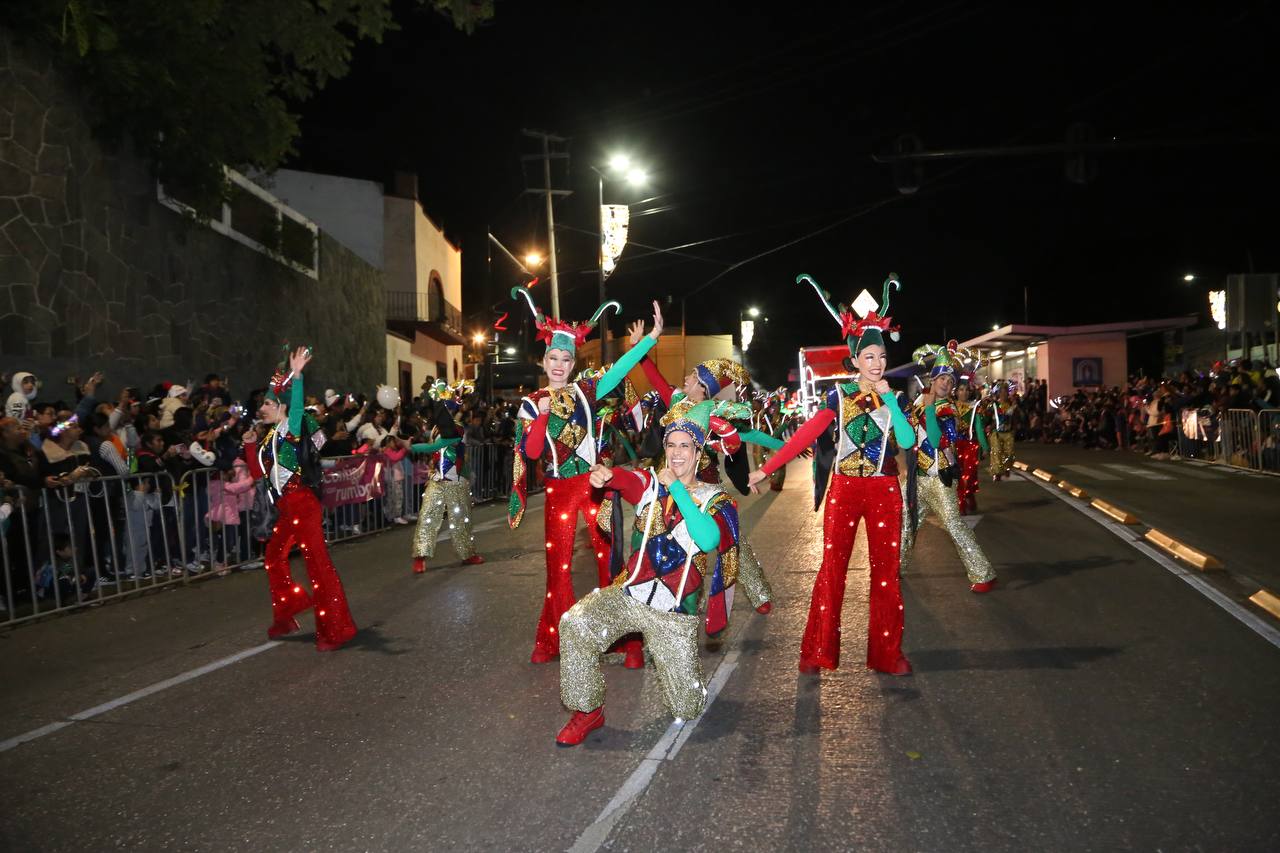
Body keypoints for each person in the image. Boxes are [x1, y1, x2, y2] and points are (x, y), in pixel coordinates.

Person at [748, 273, 916, 675]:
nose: (877, 364)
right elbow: (804, 435)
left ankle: (887, 654)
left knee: (886, 574)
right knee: (833, 570)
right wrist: (765, 469)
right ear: (855, 359)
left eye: (881, 357)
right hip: (844, 489)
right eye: (869, 357)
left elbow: (907, 440)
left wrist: (892, 404)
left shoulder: (893, 396)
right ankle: (818, 650)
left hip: (884, 489)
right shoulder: (837, 397)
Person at [556, 401, 741, 746]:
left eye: (685, 445)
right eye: (671, 445)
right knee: (575, 623)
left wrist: (678, 490)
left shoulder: (716, 499)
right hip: (630, 596)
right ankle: (587, 711)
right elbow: (629, 480)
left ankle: (675, 672)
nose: (676, 453)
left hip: (673, 614)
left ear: (698, 452)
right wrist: (609, 476)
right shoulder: (651, 484)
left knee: (686, 707)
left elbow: (707, 538)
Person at [507, 288, 658, 664]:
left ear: (573, 363)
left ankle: (630, 643)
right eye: (553, 357)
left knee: (611, 562)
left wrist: (651, 341)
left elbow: (622, 369)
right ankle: (556, 640)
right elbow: (533, 452)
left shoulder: (586, 390)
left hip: (594, 485)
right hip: (558, 490)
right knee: (558, 570)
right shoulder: (530, 402)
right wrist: (542, 414)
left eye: (565, 358)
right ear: (544, 360)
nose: (559, 364)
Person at [626, 305, 780, 617]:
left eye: (693, 376)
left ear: (703, 387)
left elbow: (749, 435)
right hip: (670, 479)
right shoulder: (676, 401)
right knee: (664, 538)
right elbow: (654, 378)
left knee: (731, 541)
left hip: (704, 484)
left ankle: (758, 591)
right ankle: (662, 603)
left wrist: (785, 446)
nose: (686, 377)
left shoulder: (714, 411)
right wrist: (641, 348)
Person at [244, 347, 357, 651]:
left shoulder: (291, 428)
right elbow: (261, 474)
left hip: (303, 504)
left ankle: (336, 629)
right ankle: (290, 610)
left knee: (317, 566)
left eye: (267, 403)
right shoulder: (269, 438)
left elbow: (296, 413)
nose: (262, 409)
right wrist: (250, 447)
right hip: (285, 509)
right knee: (272, 558)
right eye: (261, 404)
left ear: (280, 405)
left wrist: (297, 376)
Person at [901, 342, 997, 593]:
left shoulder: (947, 409)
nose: (946, 383)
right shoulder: (918, 403)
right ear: (932, 379)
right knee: (904, 523)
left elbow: (935, 439)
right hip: (917, 478)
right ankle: (895, 569)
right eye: (942, 377)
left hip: (940, 479)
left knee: (954, 525)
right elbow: (907, 439)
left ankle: (983, 573)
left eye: (950, 381)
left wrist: (930, 407)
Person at [410, 379, 485, 572]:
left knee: (460, 520)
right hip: (436, 480)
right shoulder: (435, 429)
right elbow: (434, 450)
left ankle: (468, 554)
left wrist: (408, 447)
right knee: (427, 517)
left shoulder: (456, 428)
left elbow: (435, 446)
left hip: (456, 481)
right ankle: (420, 555)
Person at [952, 370, 989, 515]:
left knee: (969, 475)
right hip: (954, 447)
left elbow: (979, 429)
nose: (964, 392)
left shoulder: (974, 408)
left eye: (967, 390)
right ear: (956, 392)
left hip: (970, 447)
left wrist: (985, 447)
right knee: (958, 477)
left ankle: (968, 495)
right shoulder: (949, 407)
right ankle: (962, 501)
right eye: (961, 389)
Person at [984, 381, 1017, 480]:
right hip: (996, 432)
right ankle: (997, 473)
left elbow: (1016, 418)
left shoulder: (1012, 404)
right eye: (1001, 392)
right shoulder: (994, 404)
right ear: (998, 393)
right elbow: (987, 417)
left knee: (1009, 453)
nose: (1003, 394)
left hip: (1008, 432)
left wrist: (1015, 429)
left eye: (1005, 391)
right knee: (996, 452)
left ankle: (1007, 467)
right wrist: (987, 426)